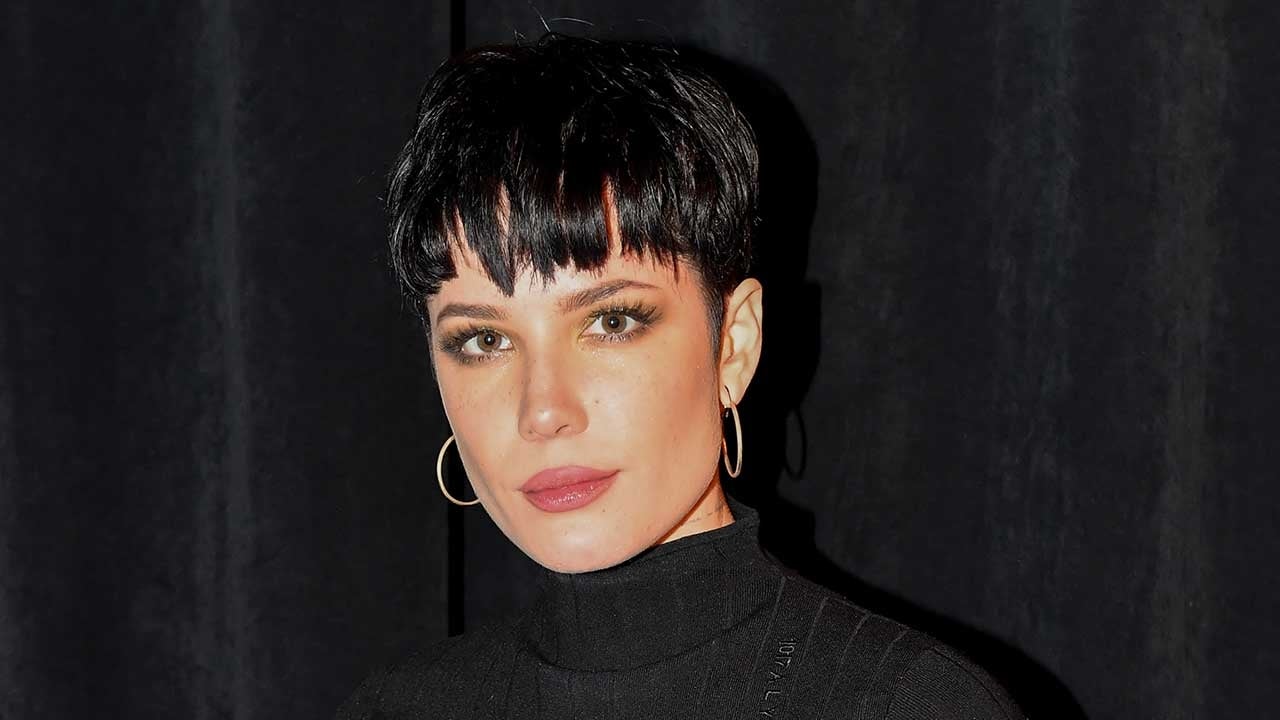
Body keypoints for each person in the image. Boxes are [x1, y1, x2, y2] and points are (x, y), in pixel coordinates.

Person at [337, 34, 1021, 719]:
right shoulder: (393, 709)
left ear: (735, 344)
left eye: (610, 322)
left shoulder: (916, 705)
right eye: (484, 340)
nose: (543, 410)